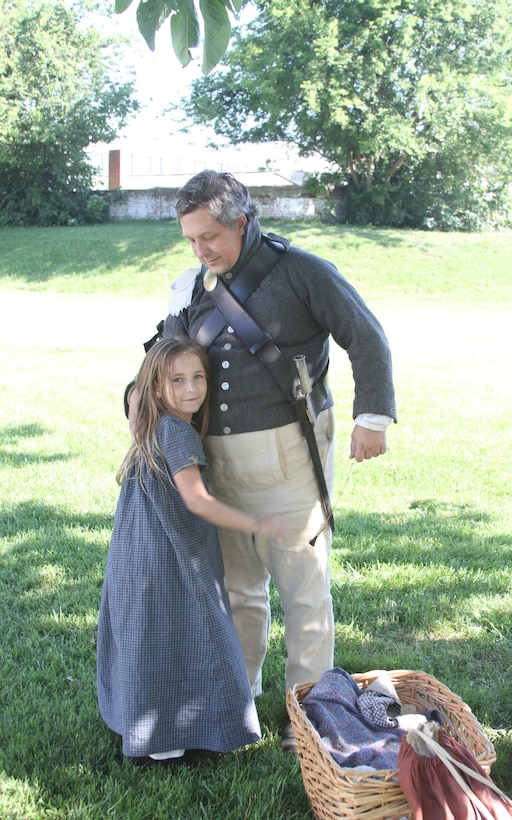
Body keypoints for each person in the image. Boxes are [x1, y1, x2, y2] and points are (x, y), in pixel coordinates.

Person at [142, 170, 397, 751]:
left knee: (303, 587)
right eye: (190, 239)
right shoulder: (191, 289)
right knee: (238, 590)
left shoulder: (305, 272)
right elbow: (161, 362)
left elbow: (367, 335)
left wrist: (372, 417)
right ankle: (243, 696)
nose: (200, 249)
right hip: (215, 460)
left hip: (291, 453)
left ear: (241, 222)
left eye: (209, 236)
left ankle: (311, 712)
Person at [97, 335, 288, 766]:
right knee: (185, 634)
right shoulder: (177, 432)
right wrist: (257, 523)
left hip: (137, 555)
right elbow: (196, 500)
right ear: (155, 387)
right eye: (177, 380)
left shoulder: (147, 423)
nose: (191, 389)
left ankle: (147, 721)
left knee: (151, 636)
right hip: (170, 559)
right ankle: (167, 738)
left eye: (198, 377)